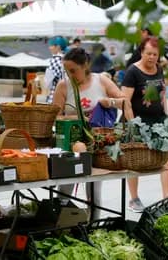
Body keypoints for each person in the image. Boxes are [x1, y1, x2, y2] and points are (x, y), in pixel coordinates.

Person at [53, 47, 132, 218]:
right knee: (64, 189)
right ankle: (59, 222)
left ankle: (93, 226)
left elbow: (124, 102)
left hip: (98, 145)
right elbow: (55, 116)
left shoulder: (101, 81)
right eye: (67, 71)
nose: (70, 75)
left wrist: (109, 102)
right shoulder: (63, 86)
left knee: (94, 192)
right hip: (70, 146)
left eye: (73, 71)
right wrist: (76, 118)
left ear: (85, 66)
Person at [121, 36, 168, 212]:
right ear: (141, 52)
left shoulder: (158, 69)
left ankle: (167, 199)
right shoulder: (132, 72)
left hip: (158, 121)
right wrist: (133, 126)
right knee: (135, 162)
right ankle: (134, 199)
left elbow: (161, 94)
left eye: (155, 54)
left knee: (167, 159)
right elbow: (125, 101)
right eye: (148, 53)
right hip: (137, 122)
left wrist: (166, 116)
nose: (151, 57)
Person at [44, 36, 67, 103]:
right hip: (67, 92)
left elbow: (48, 79)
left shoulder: (55, 60)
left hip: (55, 92)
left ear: (58, 47)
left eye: (51, 46)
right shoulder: (66, 58)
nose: (49, 48)